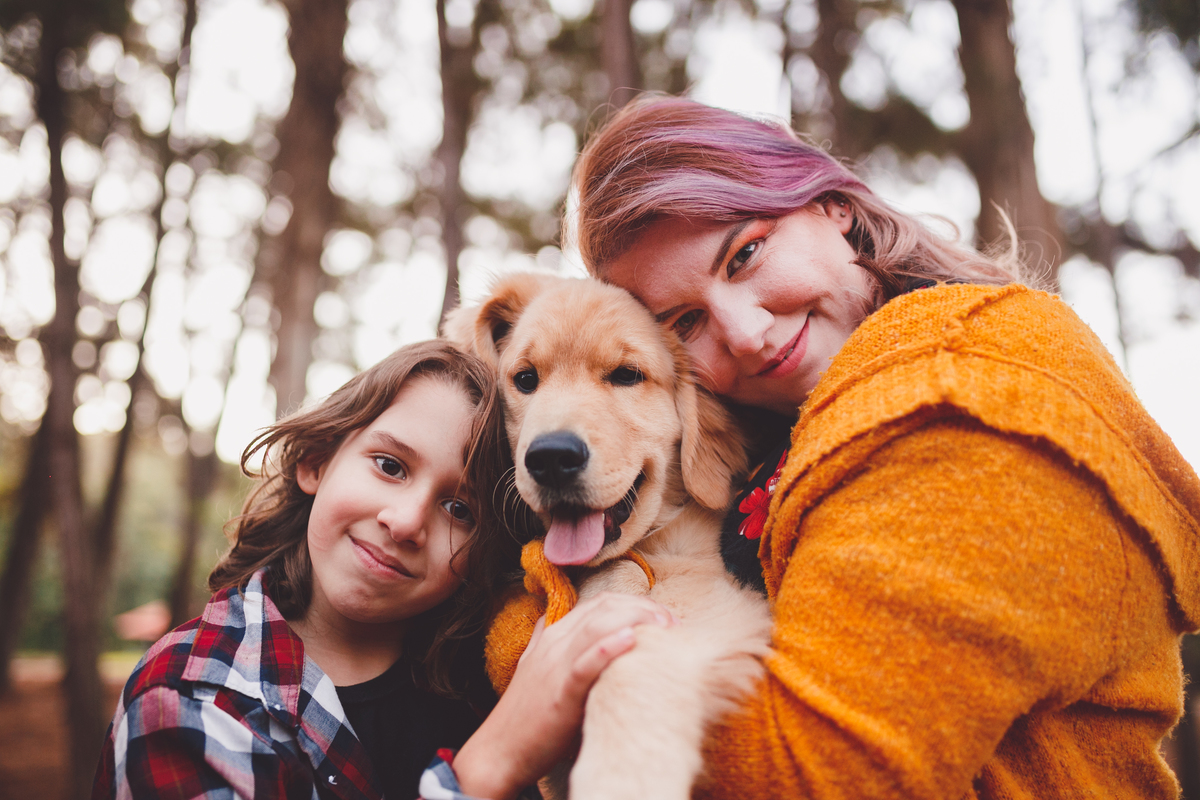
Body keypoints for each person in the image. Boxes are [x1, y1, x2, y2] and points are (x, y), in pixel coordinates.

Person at [564, 95, 1200, 798]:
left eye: (745, 254)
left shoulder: (968, 387)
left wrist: (533, 663)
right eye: (684, 322)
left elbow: (822, 770)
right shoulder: (770, 443)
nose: (744, 333)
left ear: (831, 204)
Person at [92, 340, 672, 800]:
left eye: (459, 509)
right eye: (390, 466)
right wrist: (495, 759)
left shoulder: (492, 670)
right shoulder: (192, 697)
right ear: (318, 461)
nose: (405, 521)